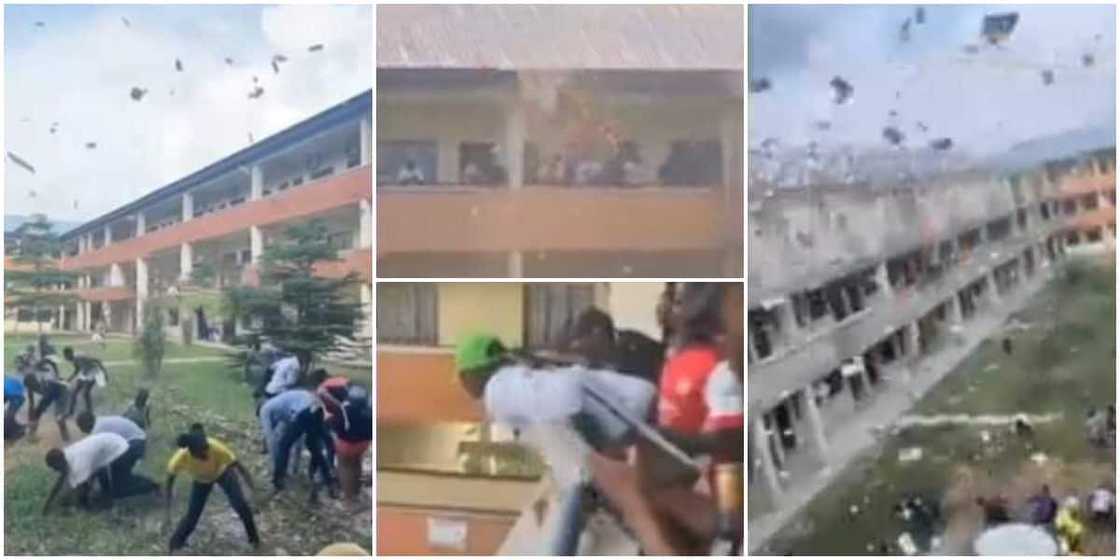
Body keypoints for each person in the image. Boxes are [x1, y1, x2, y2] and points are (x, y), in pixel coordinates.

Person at [165, 427, 260, 553]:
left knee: (240, 505)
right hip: (201, 481)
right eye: (202, 453)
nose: (207, 454)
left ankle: (254, 540)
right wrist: (167, 506)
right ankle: (175, 544)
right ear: (192, 452)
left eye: (207, 449)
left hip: (223, 474)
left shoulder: (216, 448)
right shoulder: (180, 458)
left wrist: (253, 490)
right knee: (192, 515)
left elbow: (240, 467)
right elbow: (170, 480)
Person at [259, 389, 335, 498]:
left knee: (283, 445)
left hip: (306, 410)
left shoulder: (265, 409)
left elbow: (271, 439)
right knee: (313, 447)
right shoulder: (282, 403)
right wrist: (295, 466)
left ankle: (278, 482)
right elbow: (296, 436)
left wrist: (275, 462)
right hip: (317, 408)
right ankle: (329, 482)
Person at [566, 307, 665, 385]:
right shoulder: (591, 364)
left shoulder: (640, 350)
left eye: (578, 338)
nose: (574, 347)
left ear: (597, 333)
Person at [75, 412, 158, 497]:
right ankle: (150, 487)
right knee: (119, 480)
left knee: (118, 484)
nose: (81, 430)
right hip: (136, 441)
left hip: (134, 443)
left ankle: (151, 486)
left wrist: (87, 484)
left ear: (87, 423)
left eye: (80, 426)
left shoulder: (97, 430)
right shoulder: (100, 422)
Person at [43, 432, 130, 512]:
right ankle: (104, 501)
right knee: (99, 484)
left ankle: (142, 486)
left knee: (120, 488)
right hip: (107, 447)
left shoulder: (79, 462)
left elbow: (82, 488)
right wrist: (47, 503)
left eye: (55, 468)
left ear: (60, 462)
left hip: (120, 450)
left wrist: (74, 506)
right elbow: (60, 481)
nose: (55, 470)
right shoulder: (66, 455)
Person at [330, 385, 372, 502]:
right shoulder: (369, 411)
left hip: (346, 445)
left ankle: (348, 498)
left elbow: (335, 427)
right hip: (363, 444)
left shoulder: (344, 411)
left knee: (344, 468)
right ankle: (356, 491)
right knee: (356, 463)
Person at [23, 371, 72, 443]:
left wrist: (34, 417)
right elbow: (31, 404)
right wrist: (31, 419)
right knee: (37, 412)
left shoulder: (46, 383)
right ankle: (32, 434)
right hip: (50, 393)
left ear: (36, 381)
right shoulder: (30, 386)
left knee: (59, 418)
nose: (32, 388)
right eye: (30, 386)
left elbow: (46, 399)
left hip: (62, 392)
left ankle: (66, 439)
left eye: (33, 386)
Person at [62, 346, 107, 416]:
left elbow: (97, 360)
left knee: (85, 393)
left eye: (66, 356)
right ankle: (70, 412)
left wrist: (104, 372)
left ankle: (90, 412)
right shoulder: (73, 359)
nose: (66, 359)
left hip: (93, 372)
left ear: (70, 353)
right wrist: (69, 379)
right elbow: (77, 370)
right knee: (74, 392)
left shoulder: (80, 356)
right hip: (84, 373)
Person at [5, 374, 27, 441]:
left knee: (10, 416)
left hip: (17, 398)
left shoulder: (8, 381)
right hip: (17, 398)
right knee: (9, 415)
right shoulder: (11, 379)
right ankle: (17, 430)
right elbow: (22, 388)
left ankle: (16, 433)